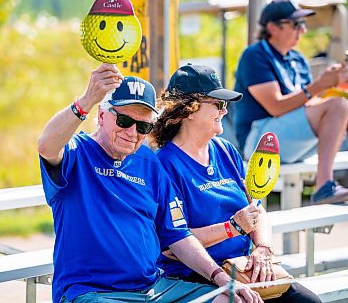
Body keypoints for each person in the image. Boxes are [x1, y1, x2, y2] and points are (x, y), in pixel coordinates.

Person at [37, 63, 263, 303]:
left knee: (232, 300)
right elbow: (46, 146)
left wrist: (220, 278)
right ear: (102, 116)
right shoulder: (77, 152)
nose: (132, 132)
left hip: (153, 288)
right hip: (94, 292)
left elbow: (177, 236)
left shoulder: (148, 161)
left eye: (143, 126)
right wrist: (86, 101)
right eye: (124, 120)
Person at [149, 64, 322, 303]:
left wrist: (262, 249)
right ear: (189, 110)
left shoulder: (225, 150)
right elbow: (172, 244)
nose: (225, 110)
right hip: (197, 275)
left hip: (243, 267)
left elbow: (256, 208)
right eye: (218, 104)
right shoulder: (165, 165)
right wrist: (232, 227)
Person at [233, 0, 348, 204]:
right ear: (272, 27)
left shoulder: (297, 59)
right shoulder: (254, 55)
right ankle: (323, 186)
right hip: (259, 142)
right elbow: (276, 106)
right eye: (296, 24)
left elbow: (309, 105)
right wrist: (321, 85)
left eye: (303, 24)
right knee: (340, 105)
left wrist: (336, 88)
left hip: (287, 139)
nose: (303, 30)